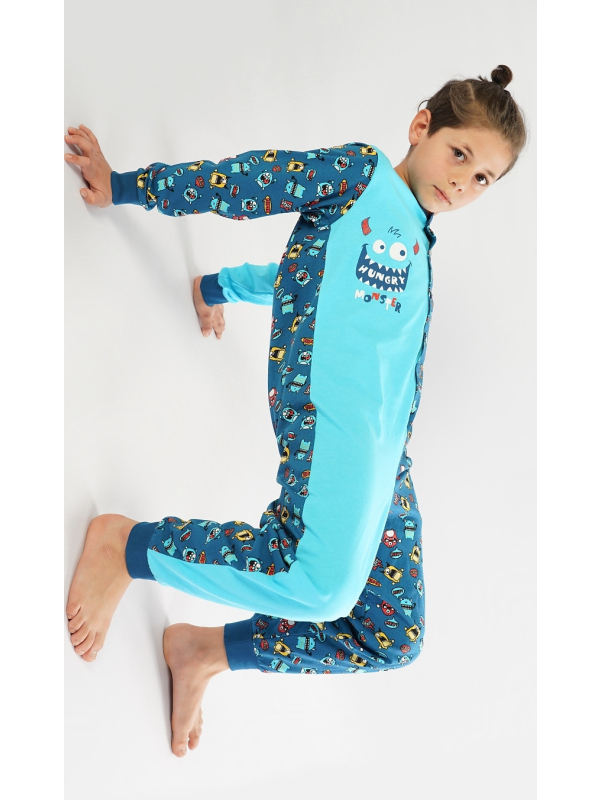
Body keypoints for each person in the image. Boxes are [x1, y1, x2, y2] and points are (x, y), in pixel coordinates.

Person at [64, 65, 527, 757]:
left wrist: (219, 286)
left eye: (484, 178)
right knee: (320, 589)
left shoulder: (417, 242)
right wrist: (128, 185)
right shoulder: (360, 176)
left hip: (387, 462)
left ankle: (203, 651)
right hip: (335, 433)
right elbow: (248, 181)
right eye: (460, 154)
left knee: (392, 636)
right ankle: (128, 547)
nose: (464, 182)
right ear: (421, 126)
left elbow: (313, 284)